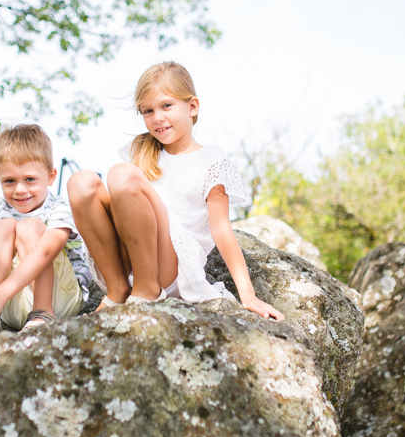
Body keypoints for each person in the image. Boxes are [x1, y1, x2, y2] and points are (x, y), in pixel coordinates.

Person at [67, 61, 284, 320]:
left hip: (173, 266)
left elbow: (221, 228)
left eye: (166, 106)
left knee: (120, 174)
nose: (157, 117)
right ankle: (117, 291)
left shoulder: (211, 160)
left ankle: (147, 289)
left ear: (192, 107)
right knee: (81, 182)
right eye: (147, 110)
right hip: (133, 259)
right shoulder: (141, 150)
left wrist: (247, 295)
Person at [0, 124, 90, 336]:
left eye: (30, 179)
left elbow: (47, 250)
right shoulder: (0, 208)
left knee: (30, 226)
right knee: (0, 227)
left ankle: (42, 312)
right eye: (9, 181)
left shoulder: (59, 207)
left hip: (62, 299)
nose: (20, 189)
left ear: (51, 176)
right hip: (7, 303)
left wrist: (0, 294)